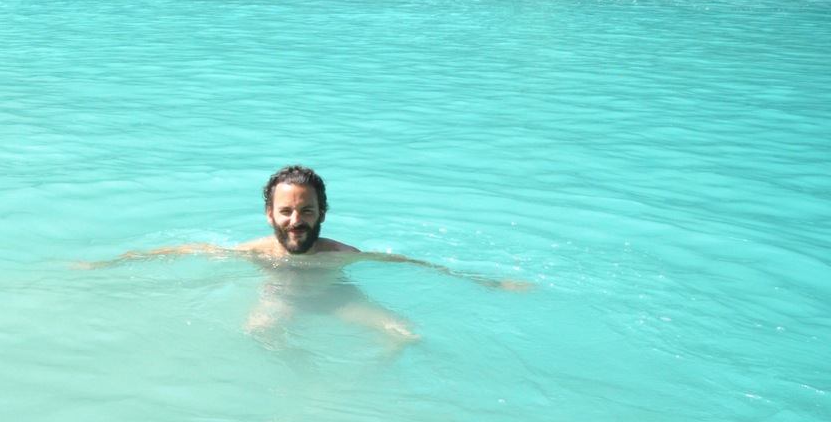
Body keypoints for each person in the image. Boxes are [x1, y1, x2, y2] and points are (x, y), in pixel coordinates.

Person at [83, 164, 530, 343]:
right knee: (258, 332)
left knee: (406, 334)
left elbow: (408, 264)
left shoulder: (340, 254)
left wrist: (488, 282)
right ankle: (305, 383)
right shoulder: (255, 253)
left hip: (339, 300)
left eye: (307, 211)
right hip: (282, 298)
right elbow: (184, 251)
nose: (297, 221)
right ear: (269, 215)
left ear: (322, 213)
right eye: (287, 211)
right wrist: (107, 264)